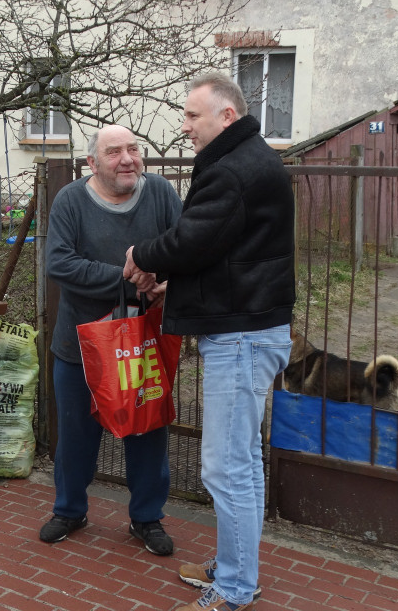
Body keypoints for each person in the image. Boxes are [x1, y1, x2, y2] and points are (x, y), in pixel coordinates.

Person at [123, 73, 295, 611]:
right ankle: (236, 566)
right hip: (247, 329)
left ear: (226, 115)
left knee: (226, 467)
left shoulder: (234, 170)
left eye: (193, 115)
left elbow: (193, 237)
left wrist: (143, 257)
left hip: (241, 339)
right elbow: (225, 255)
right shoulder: (249, 160)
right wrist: (175, 281)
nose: (185, 125)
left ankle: (237, 589)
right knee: (241, 461)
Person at [41, 124, 183, 555]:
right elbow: (60, 264)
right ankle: (69, 509)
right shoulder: (70, 200)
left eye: (134, 149)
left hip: (143, 343)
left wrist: (167, 284)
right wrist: (129, 278)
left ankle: (146, 518)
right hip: (79, 346)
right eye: (114, 152)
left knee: (148, 430)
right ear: (92, 163)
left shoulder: (160, 193)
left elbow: (188, 249)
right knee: (75, 437)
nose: (127, 159)